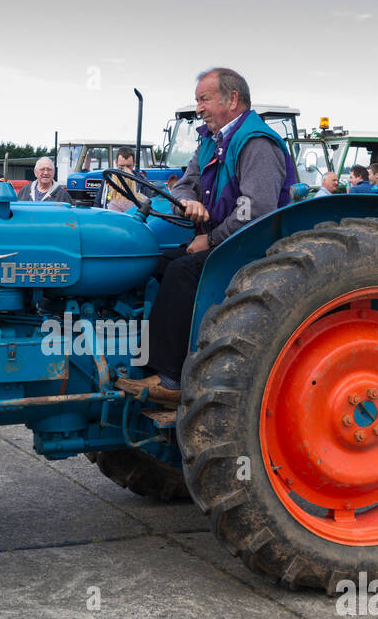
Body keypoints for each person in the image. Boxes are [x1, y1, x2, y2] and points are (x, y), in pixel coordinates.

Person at [118, 66, 296, 408]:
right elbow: (185, 182)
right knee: (151, 263)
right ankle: (141, 363)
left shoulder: (256, 142)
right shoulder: (211, 142)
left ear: (232, 99)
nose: (198, 107)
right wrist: (188, 200)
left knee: (182, 272)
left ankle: (171, 378)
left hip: (255, 247)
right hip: (225, 242)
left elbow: (254, 209)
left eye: (204, 99)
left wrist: (211, 240)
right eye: (197, 100)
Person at [102, 147, 145, 213]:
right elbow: (98, 202)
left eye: (128, 166)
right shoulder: (107, 179)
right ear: (116, 163)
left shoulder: (142, 182)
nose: (125, 170)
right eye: (121, 166)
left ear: (134, 163)